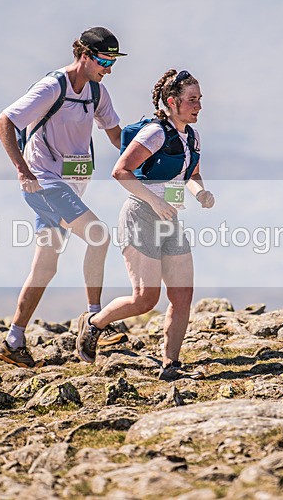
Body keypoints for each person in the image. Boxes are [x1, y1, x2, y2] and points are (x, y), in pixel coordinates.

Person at [0, 26, 129, 368]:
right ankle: (95, 320)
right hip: (45, 184)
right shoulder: (53, 86)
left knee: (45, 267)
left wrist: (152, 144)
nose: (108, 68)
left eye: (113, 61)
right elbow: (4, 122)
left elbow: (116, 136)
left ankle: (14, 340)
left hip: (70, 187)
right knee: (99, 235)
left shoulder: (97, 92)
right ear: (83, 55)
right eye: (103, 60)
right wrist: (23, 171)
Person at [75, 69, 215, 381]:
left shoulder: (192, 137)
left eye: (200, 99)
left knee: (182, 295)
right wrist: (154, 201)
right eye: (192, 100)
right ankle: (94, 323)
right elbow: (121, 170)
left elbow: (190, 175)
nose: (199, 106)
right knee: (145, 299)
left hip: (170, 219)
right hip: (140, 214)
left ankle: (171, 366)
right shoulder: (154, 133)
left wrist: (201, 192)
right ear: (172, 102)